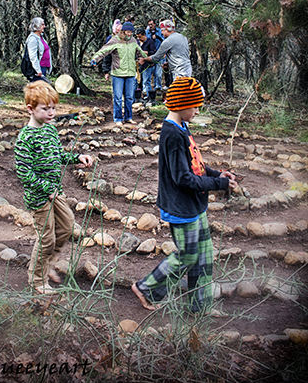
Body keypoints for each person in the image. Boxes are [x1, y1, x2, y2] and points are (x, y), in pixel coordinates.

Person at [131, 77, 237, 313]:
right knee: (188, 256)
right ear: (181, 105)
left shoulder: (181, 126)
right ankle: (146, 287)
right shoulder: (172, 134)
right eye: (195, 106)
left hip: (194, 204)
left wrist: (219, 174)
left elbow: (194, 164)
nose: (198, 111)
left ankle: (199, 306)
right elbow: (183, 178)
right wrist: (218, 184)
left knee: (204, 255)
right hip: (181, 207)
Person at [14, 81, 93, 295]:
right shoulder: (25, 138)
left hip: (55, 192)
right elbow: (23, 173)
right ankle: (37, 279)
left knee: (67, 227)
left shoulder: (50, 129)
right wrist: (46, 188)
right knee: (46, 237)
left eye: (53, 108)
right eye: (45, 109)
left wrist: (77, 157)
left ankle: (48, 263)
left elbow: (58, 155)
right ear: (31, 109)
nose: (51, 113)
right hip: (39, 197)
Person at [90, 21, 147, 126]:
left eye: (131, 32)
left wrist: (149, 58)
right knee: (118, 97)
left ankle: (128, 117)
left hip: (130, 73)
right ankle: (117, 118)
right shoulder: (115, 40)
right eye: (127, 32)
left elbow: (140, 52)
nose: (129, 34)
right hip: (118, 73)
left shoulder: (133, 41)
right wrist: (95, 59)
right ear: (123, 31)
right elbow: (104, 51)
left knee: (129, 97)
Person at [139, 19, 192, 84]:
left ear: (166, 30)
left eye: (162, 30)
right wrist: (169, 63)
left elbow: (156, 56)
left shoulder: (168, 41)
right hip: (187, 68)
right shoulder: (183, 37)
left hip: (179, 70)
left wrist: (144, 59)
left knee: (180, 90)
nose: (161, 33)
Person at [24, 17, 52, 81]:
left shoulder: (41, 37)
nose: (44, 26)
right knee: (37, 89)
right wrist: (38, 70)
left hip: (43, 67)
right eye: (42, 24)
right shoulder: (33, 39)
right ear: (37, 26)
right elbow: (33, 56)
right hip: (38, 69)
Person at [135, 28, 156, 102]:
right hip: (138, 65)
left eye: (140, 37)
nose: (139, 38)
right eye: (137, 37)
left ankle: (147, 96)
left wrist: (147, 52)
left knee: (146, 81)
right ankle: (136, 97)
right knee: (136, 81)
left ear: (144, 34)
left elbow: (154, 53)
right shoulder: (137, 42)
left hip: (147, 65)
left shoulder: (150, 42)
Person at [146, 19, 164, 91]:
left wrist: (158, 37)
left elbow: (165, 41)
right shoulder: (146, 32)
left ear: (155, 24)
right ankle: (149, 90)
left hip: (159, 55)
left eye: (151, 24)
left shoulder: (160, 32)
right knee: (150, 74)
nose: (150, 26)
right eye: (149, 24)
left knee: (158, 74)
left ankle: (158, 87)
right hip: (150, 55)